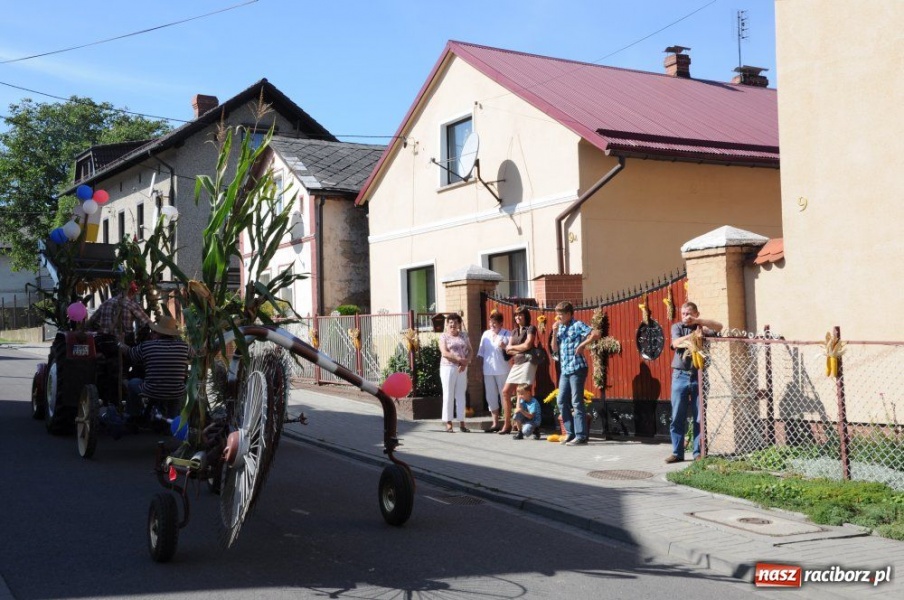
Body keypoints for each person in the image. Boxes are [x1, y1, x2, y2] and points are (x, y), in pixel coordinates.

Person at [666, 301, 722, 463]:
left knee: (699, 417)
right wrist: (692, 336)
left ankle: (698, 453)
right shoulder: (677, 327)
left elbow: (719, 327)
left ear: (696, 314)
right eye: (683, 314)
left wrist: (698, 323)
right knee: (677, 416)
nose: (686, 317)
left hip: (699, 375)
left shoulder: (702, 328)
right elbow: (676, 343)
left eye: (689, 313)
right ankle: (677, 453)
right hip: (680, 375)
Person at [122, 315, 191, 420]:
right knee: (176, 390)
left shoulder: (147, 346)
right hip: (176, 391)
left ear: (158, 332)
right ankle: (172, 419)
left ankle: (134, 415)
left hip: (152, 390)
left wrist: (120, 343)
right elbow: (196, 354)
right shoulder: (184, 346)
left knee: (133, 383)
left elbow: (130, 354)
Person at [551, 301, 600, 446]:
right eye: (557, 314)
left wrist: (582, 345)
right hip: (565, 369)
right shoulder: (560, 328)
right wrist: (554, 332)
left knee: (576, 401)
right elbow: (554, 349)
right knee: (561, 401)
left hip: (577, 367)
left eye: (561, 314)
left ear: (568, 314)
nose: (558, 317)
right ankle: (570, 433)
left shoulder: (577, 325)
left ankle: (581, 436)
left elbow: (596, 334)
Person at [499, 306, 538, 434]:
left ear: (526, 316)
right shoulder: (514, 331)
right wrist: (515, 349)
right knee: (505, 392)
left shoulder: (530, 328)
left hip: (528, 362)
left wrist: (513, 348)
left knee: (521, 393)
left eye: (520, 315)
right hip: (517, 363)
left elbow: (528, 344)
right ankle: (507, 424)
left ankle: (521, 424)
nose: (518, 317)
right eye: (516, 315)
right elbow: (508, 350)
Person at [477, 310, 511, 432]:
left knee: (504, 396)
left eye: (495, 323)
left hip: (502, 370)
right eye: (491, 322)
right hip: (488, 370)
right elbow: (481, 353)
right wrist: (479, 370)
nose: (492, 325)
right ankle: (495, 423)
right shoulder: (486, 334)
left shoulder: (507, 334)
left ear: (501, 323)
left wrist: (504, 347)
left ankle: (507, 423)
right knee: (491, 397)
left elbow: (511, 351)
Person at [438, 312, 472, 433]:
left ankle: (462, 422)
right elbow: (444, 352)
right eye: (450, 323)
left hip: (462, 368)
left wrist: (465, 362)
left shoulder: (464, 335)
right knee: (448, 394)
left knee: (461, 394)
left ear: (459, 324)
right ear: (447, 324)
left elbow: (470, 350)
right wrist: (459, 360)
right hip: (448, 367)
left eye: (455, 323)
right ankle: (448, 423)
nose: (453, 325)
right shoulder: (443, 336)